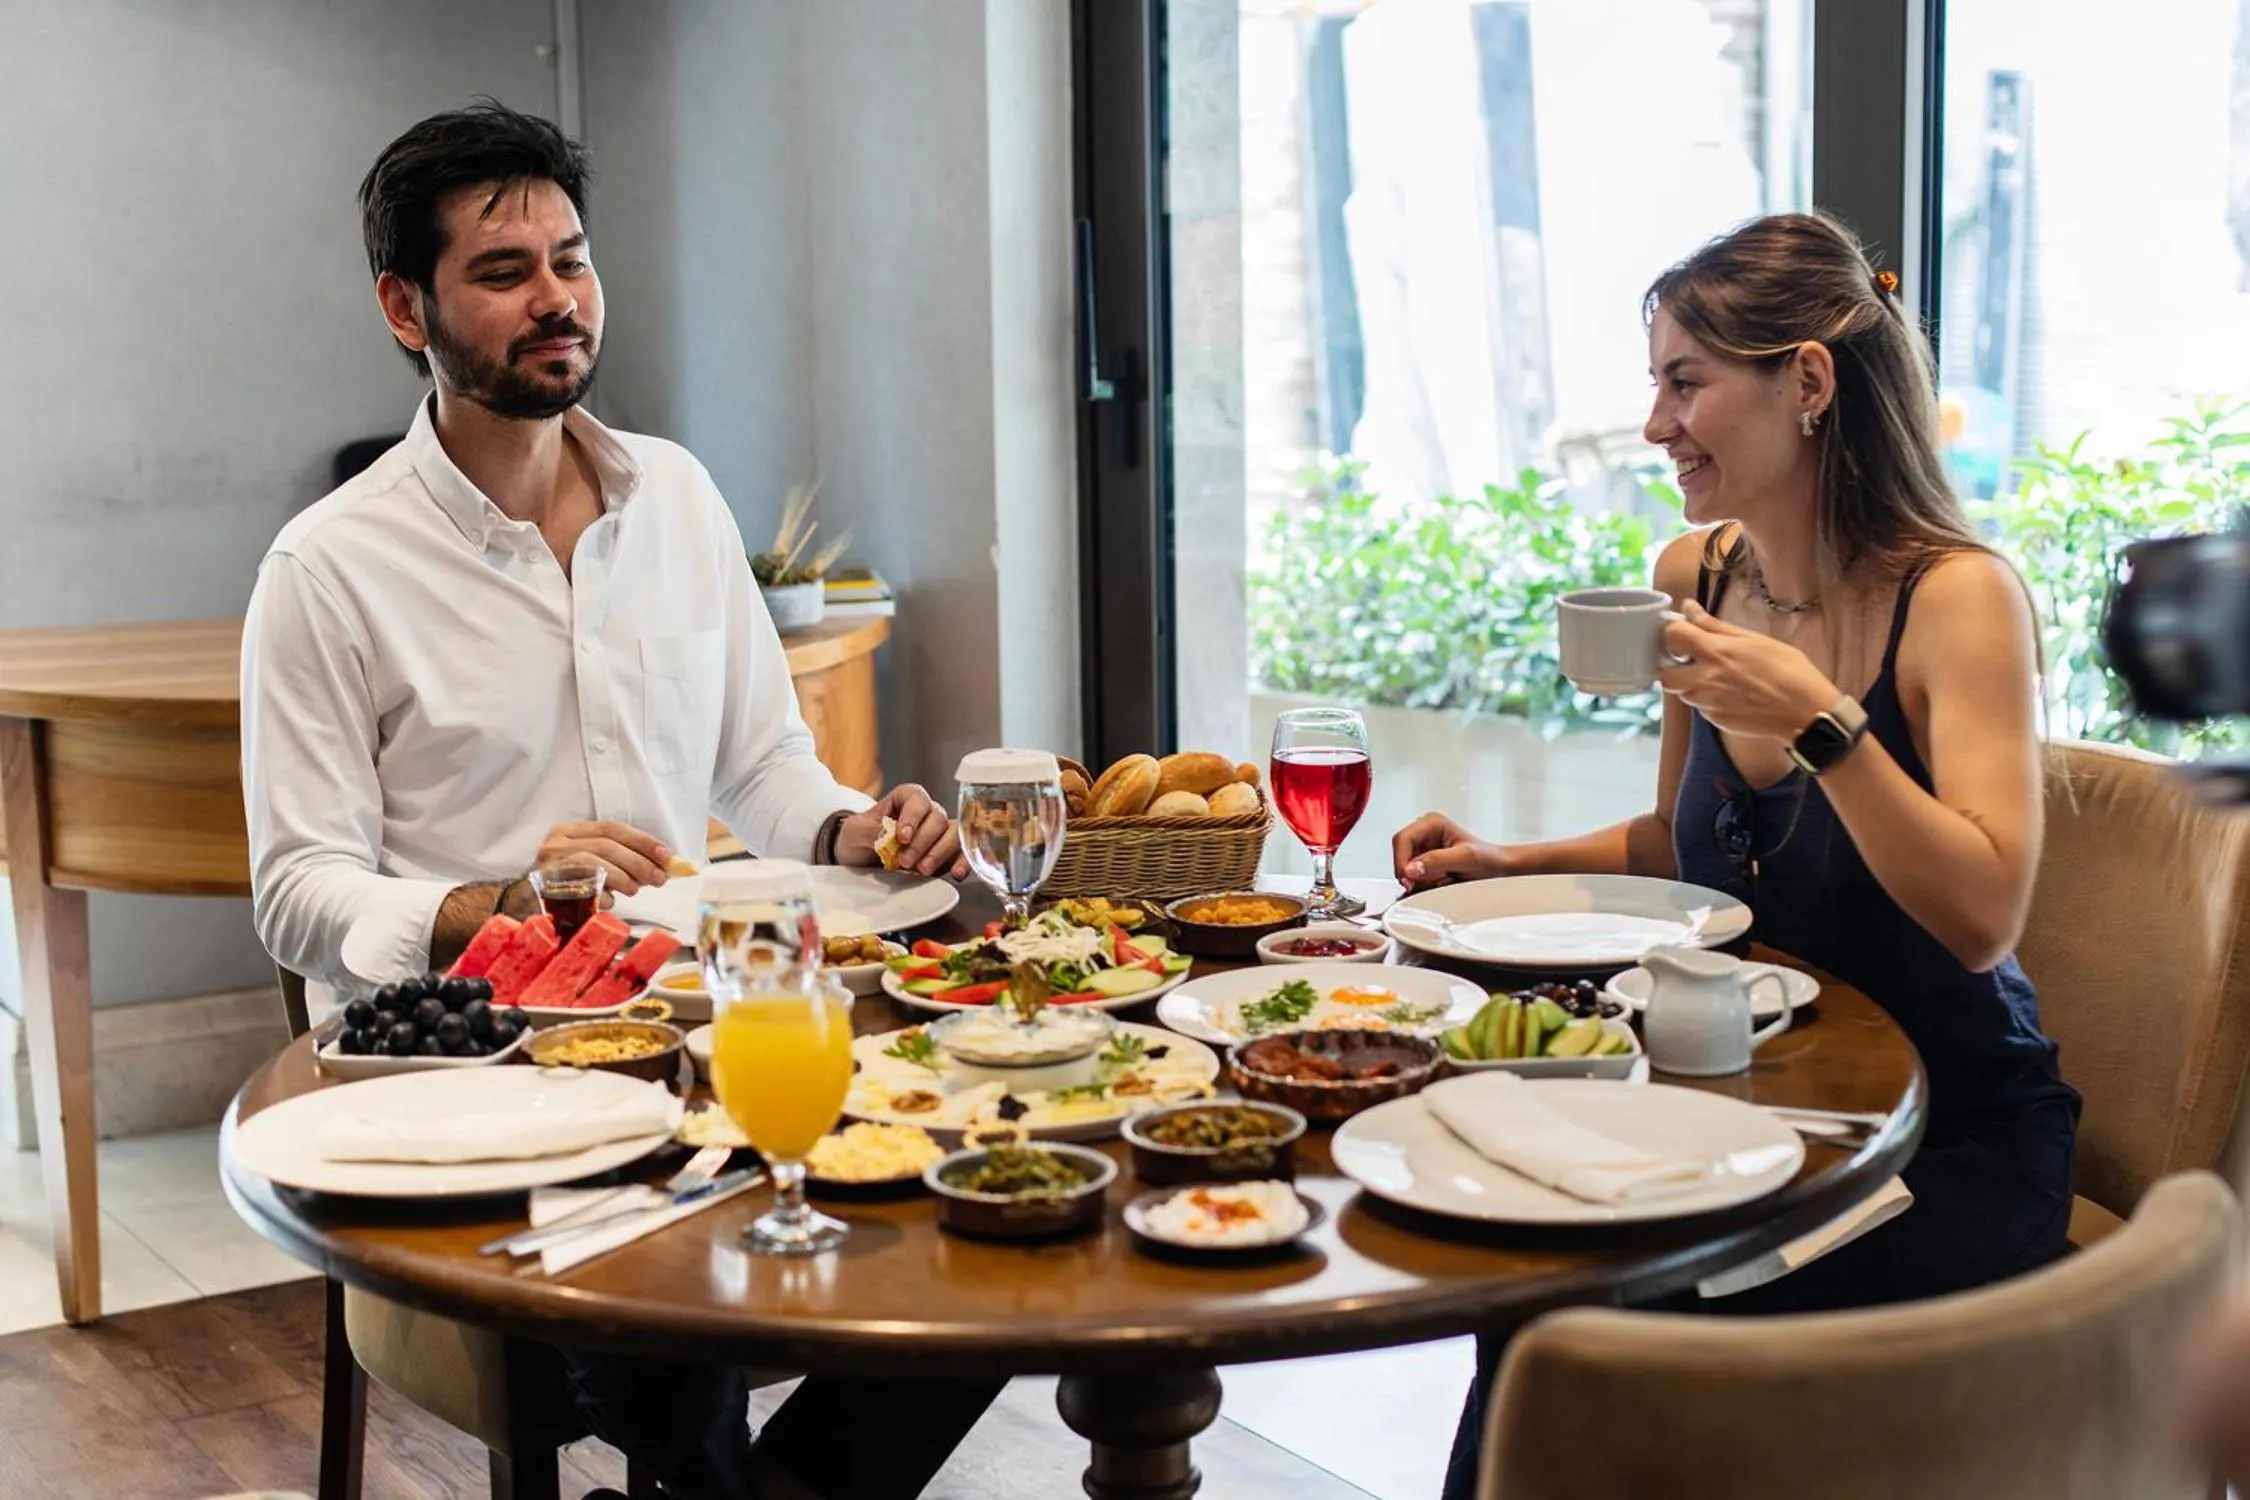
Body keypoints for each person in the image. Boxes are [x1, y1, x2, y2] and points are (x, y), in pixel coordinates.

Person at [241, 100, 995, 1500]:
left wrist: (848, 829)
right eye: (502, 271)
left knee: (997, 1218)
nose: (556, 301)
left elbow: (762, 765)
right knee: (683, 1333)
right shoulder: (326, 569)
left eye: (571, 261)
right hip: (484, 1083)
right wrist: (498, 905)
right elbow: (296, 889)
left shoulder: (683, 498)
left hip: (703, 1038)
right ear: (405, 306)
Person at [1393, 213, 2082, 1498]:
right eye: (1656, 381)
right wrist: (1508, 861)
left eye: (1685, 381)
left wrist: (1820, 728)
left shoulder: (1960, 597)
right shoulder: (1696, 576)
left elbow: (1985, 915)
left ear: (1807, 383)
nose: (1654, 424)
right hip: (1763, 1104)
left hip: (1941, 1135)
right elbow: (1687, 851)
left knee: (1627, 1320)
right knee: (1537, 1295)